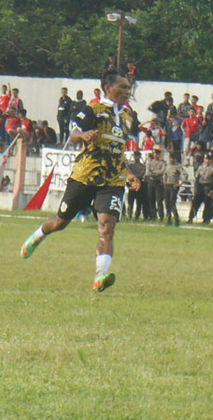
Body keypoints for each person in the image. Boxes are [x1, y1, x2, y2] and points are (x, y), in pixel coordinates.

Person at [19, 71, 139, 292]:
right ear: (107, 88)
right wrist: (83, 137)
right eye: (122, 87)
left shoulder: (127, 118)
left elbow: (118, 150)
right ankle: (39, 235)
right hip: (85, 176)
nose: (127, 91)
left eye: (128, 87)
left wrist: (129, 173)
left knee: (107, 227)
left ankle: (100, 277)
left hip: (112, 180)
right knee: (61, 222)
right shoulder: (93, 110)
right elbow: (73, 134)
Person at [189, 156, 213, 224]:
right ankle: (191, 218)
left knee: (207, 204)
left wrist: (212, 191)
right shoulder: (200, 167)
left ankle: (206, 219)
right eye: (206, 159)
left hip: (208, 186)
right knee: (195, 203)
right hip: (200, 186)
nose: (207, 161)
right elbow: (197, 178)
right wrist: (195, 188)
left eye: (209, 159)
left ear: (211, 161)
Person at [163, 155, 185, 226]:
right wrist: (165, 181)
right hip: (167, 185)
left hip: (174, 186)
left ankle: (176, 219)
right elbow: (165, 174)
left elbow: (185, 174)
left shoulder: (177, 166)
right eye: (170, 158)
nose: (171, 160)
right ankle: (168, 219)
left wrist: (180, 183)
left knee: (172, 202)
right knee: (167, 203)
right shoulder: (167, 166)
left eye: (173, 158)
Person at [126, 150, 146, 220]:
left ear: (140, 157)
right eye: (135, 156)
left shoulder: (142, 166)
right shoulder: (130, 166)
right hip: (131, 184)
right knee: (130, 201)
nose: (136, 157)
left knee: (139, 202)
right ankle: (129, 215)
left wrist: (134, 177)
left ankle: (137, 216)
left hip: (139, 185)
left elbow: (142, 174)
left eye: (138, 156)